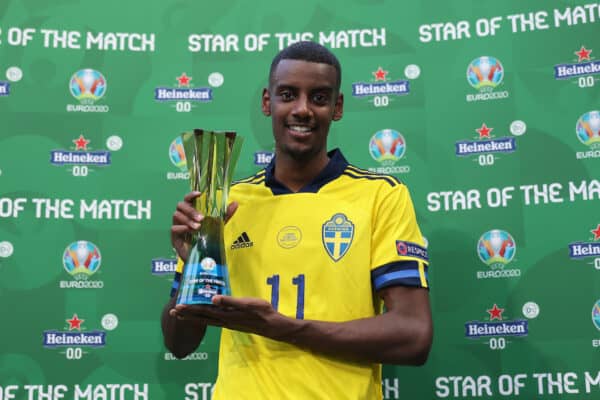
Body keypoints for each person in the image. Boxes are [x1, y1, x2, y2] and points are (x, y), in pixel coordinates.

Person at [162, 41, 432, 399]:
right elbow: (179, 343)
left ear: (337, 107)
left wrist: (285, 329)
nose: (303, 109)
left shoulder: (381, 196)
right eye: (288, 94)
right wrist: (191, 264)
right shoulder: (227, 204)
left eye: (319, 97)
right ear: (266, 102)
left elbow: (414, 336)